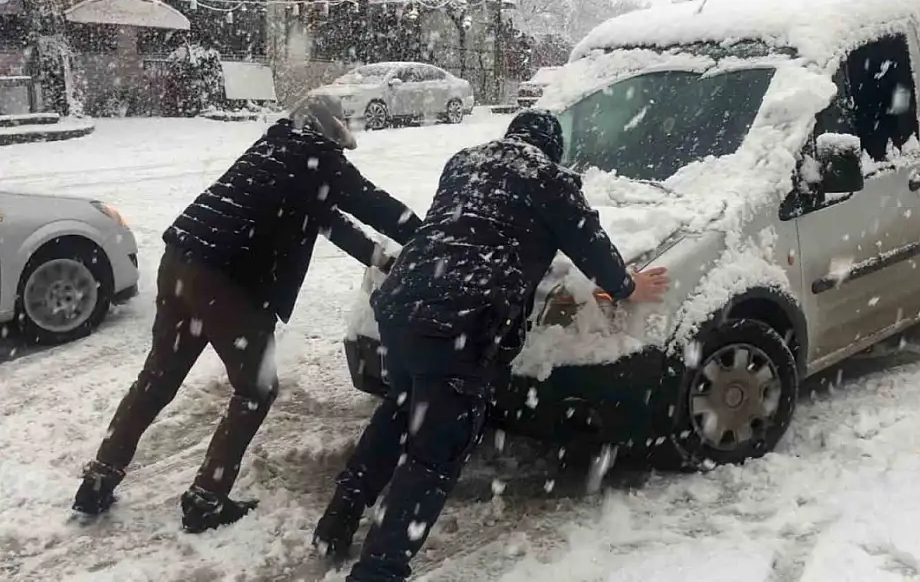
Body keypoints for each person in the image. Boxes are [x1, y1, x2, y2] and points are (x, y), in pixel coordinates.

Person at [312, 109, 671, 581]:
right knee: (433, 455)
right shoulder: (548, 177)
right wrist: (626, 286)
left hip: (402, 305)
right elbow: (589, 244)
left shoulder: (465, 162)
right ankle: (379, 571)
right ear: (552, 149)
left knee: (400, 412)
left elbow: (467, 227)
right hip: (459, 320)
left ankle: (337, 522)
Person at [72, 94, 423, 534]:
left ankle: (99, 478)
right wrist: (431, 235)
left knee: (158, 377)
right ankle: (206, 499)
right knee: (256, 390)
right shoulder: (317, 159)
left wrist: (386, 260)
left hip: (181, 263)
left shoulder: (273, 150)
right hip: (229, 282)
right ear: (329, 133)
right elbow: (375, 205)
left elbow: (329, 221)